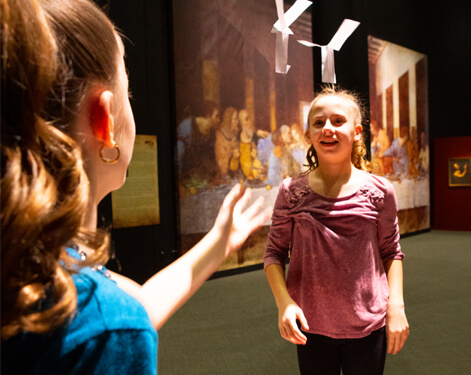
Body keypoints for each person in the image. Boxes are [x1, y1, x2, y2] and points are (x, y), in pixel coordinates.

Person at [0, 0, 270, 374]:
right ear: (104, 117)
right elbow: (116, 320)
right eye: (127, 91)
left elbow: (135, 303)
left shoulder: (28, 256)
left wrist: (220, 241)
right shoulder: (104, 329)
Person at [263, 86, 409, 375]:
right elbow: (274, 254)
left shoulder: (380, 191)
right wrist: (285, 303)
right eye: (319, 122)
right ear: (309, 134)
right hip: (311, 325)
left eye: (337, 121)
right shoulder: (291, 192)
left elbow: (391, 251)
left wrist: (397, 307)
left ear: (356, 132)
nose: (327, 128)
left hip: (368, 325)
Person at [215, 107, 241, 178]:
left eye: (237, 119)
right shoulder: (220, 135)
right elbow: (221, 160)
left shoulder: (236, 132)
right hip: (224, 174)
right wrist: (232, 154)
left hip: (236, 172)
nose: (237, 122)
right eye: (235, 119)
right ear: (229, 120)